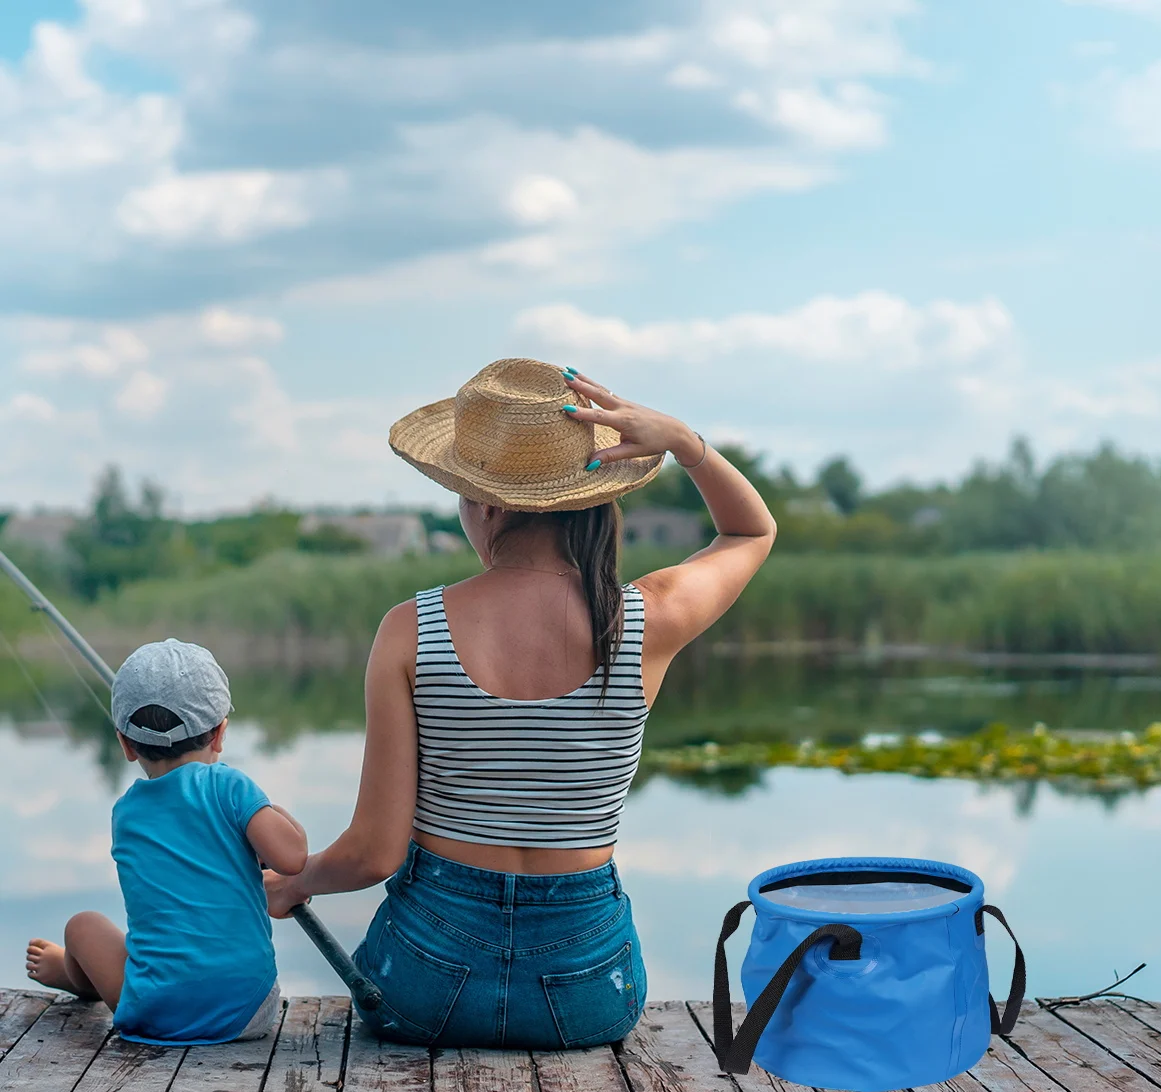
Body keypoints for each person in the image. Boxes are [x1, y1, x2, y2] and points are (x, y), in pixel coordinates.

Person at [265, 357, 776, 1047]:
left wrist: (297, 883)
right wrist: (685, 442)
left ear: (489, 504)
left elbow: (374, 854)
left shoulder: (411, 629)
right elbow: (750, 532)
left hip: (422, 986)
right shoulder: (647, 619)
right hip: (591, 992)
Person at [25, 639, 308, 1044]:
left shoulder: (126, 813)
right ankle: (83, 980)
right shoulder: (231, 787)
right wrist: (269, 810)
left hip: (154, 1013)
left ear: (124, 744)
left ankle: (78, 979)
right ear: (219, 734)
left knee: (82, 926)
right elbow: (293, 857)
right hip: (248, 1012)